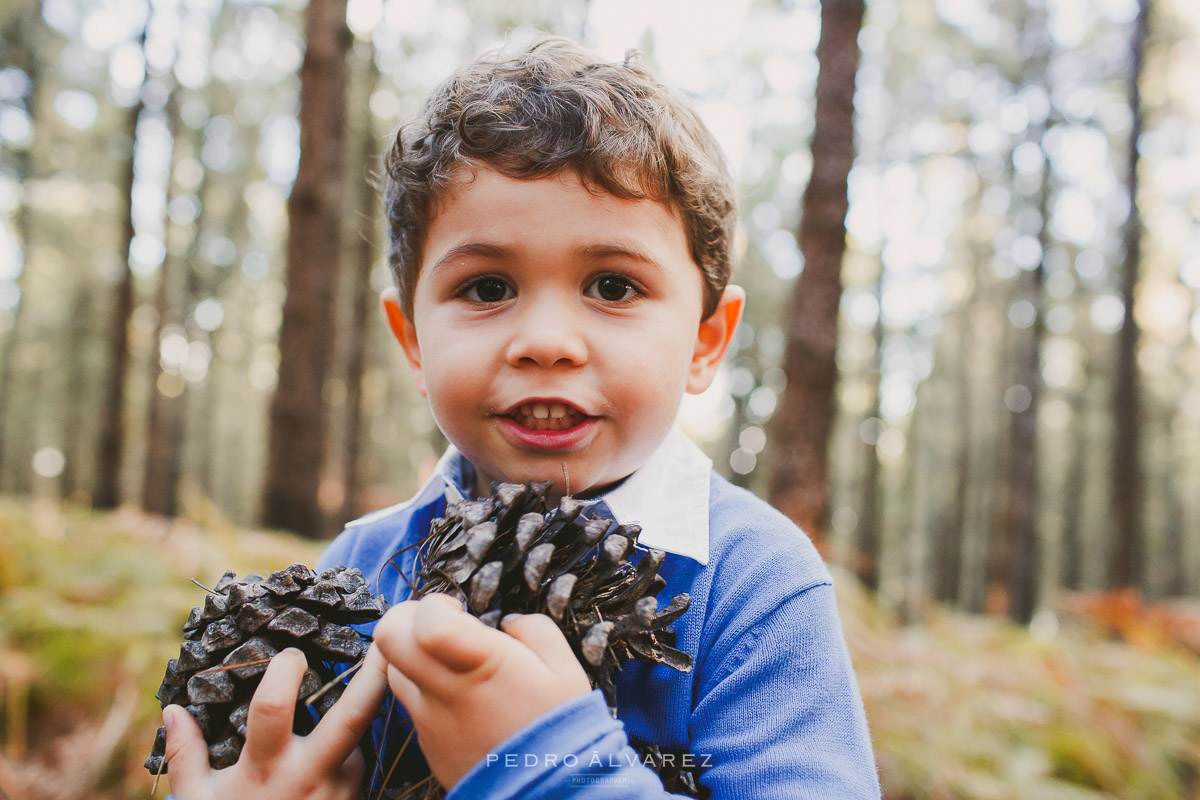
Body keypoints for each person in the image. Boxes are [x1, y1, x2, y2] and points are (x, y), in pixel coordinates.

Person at [162, 34, 881, 800]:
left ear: (706, 341)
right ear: (411, 339)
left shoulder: (753, 585)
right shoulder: (358, 568)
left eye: (612, 286)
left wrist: (556, 772)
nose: (544, 343)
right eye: (485, 288)